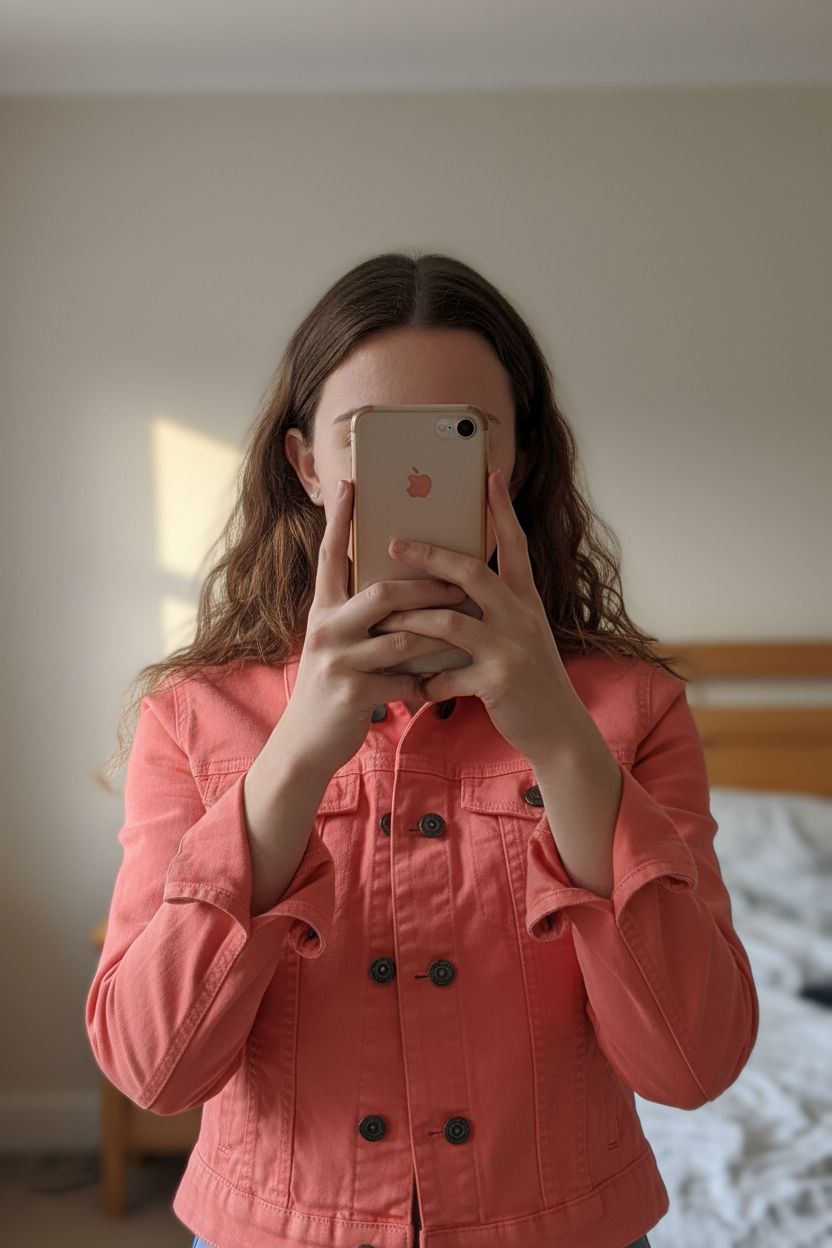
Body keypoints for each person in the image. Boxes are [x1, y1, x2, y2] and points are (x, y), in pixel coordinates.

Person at [86, 252, 759, 1248]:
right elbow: (156, 1069)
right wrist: (295, 761)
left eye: (460, 436)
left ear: (517, 463)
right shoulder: (194, 715)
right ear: (307, 465)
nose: (409, 477)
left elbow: (690, 1066)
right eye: (364, 437)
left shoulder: (633, 710)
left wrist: (565, 749)